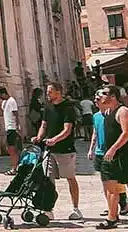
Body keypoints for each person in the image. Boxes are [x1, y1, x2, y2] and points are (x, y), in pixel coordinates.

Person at [94, 86, 128, 229]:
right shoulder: (107, 112)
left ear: (113, 97)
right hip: (109, 156)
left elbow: (126, 132)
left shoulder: (123, 111)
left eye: (104, 94)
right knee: (110, 186)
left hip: (124, 155)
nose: (101, 96)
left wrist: (113, 149)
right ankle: (112, 218)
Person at [34, 81, 82, 221]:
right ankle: (48, 209)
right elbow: (44, 125)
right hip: (49, 150)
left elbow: (67, 130)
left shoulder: (68, 108)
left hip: (65, 149)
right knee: (48, 180)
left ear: (58, 92)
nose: (47, 93)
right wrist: (39, 137)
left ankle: (76, 208)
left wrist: (55, 139)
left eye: (50, 91)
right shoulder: (48, 107)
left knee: (70, 178)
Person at [88, 93, 128, 219]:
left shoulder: (113, 114)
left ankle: (123, 205)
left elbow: (126, 132)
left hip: (113, 152)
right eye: (95, 99)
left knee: (118, 182)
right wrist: (91, 149)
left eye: (98, 99)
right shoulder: (96, 116)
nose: (96, 101)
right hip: (100, 152)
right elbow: (95, 133)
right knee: (106, 183)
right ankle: (111, 208)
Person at [0, 86, 21, 173]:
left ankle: (14, 168)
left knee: (11, 149)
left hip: (12, 128)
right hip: (8, 128)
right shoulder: (4, 102)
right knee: (10, 148)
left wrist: (18, 126)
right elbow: (1, 114)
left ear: (3, 93)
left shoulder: (12, 101)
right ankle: (16, 166)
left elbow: (16, 114)